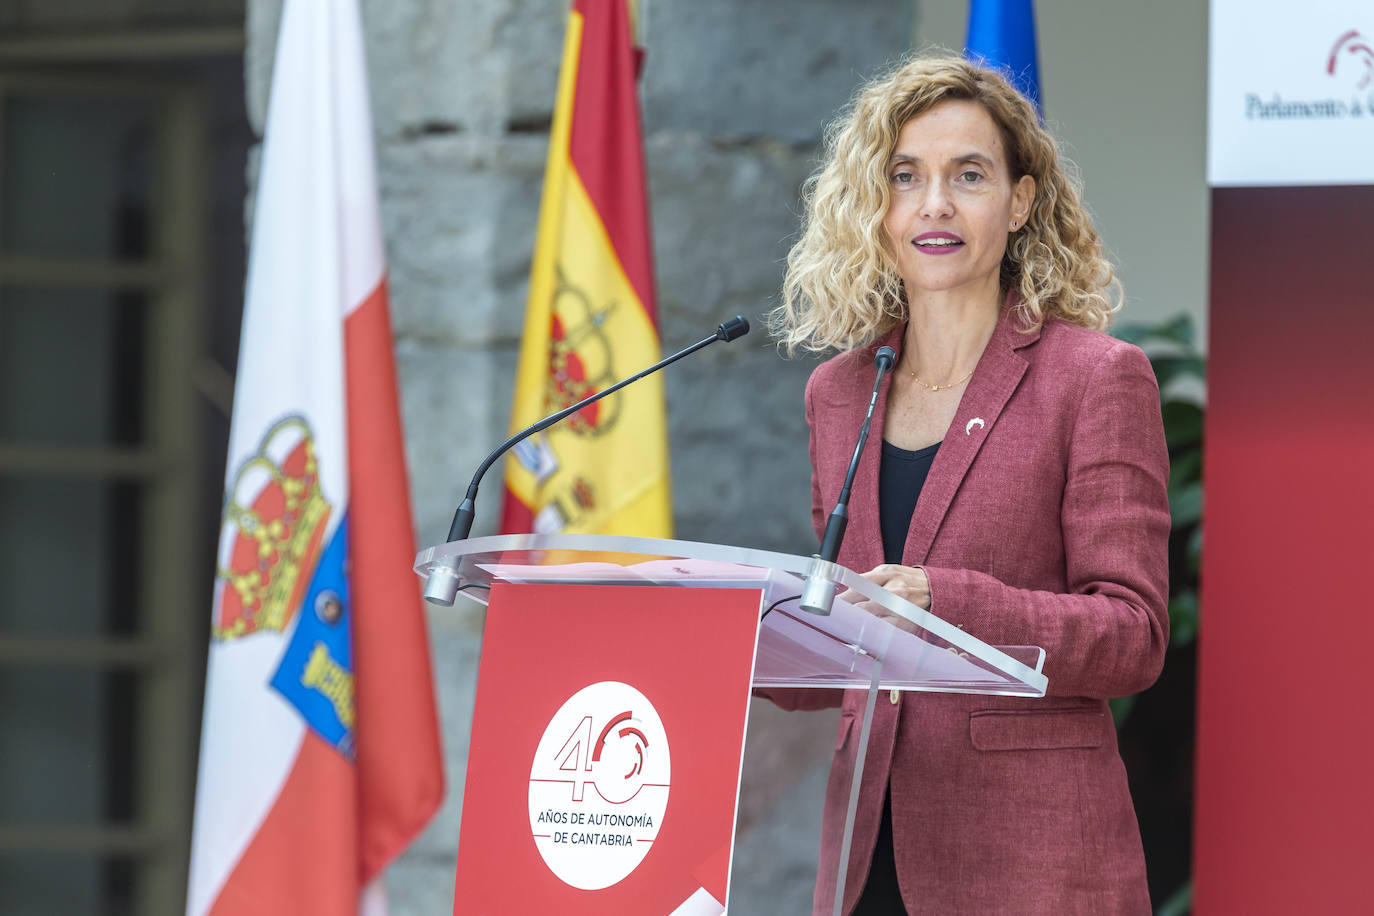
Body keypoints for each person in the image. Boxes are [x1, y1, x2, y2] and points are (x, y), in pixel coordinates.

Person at [766, 54, 1171, 915]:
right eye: (905, 176)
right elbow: (844, 654)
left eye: (969, 175)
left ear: (1020, 202)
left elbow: (1133, 636)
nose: (934, 204)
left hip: (1031, 865)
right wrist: (737, 634)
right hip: (866, 864)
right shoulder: (839, 391)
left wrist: (944, 602)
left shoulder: (1096, 377)